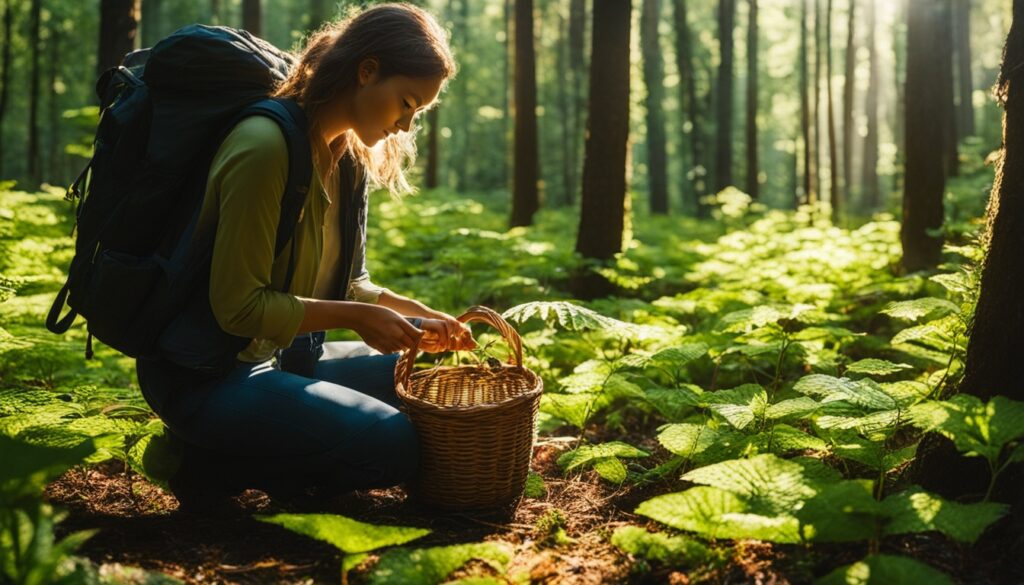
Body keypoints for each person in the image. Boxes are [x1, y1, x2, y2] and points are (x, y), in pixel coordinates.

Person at [135, 2, 472, 512]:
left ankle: (262, 448)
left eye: (417, 113)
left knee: (428, 373)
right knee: (396, 445)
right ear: (367, 71)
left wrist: (420, 319)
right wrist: (360, 318)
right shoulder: (265, 146)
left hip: (284, 357)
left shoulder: (346, 154)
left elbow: (347, 283)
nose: (405, 127)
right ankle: (202, 462)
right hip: (207, 375)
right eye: (405, 103)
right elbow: (239, 308)